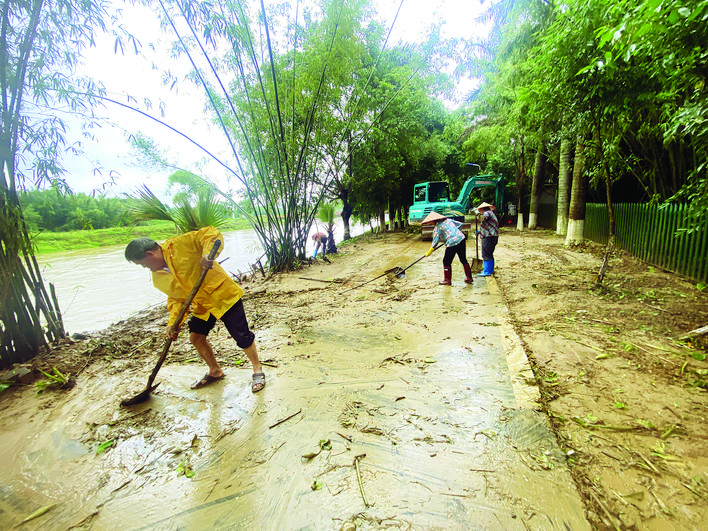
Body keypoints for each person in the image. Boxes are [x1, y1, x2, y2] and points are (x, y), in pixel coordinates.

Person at [124, 226, 266, 393]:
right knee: (196, 338)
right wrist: (173, 324)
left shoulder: (179, 245)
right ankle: (215, 371)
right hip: (202, 305)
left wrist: (207, 254)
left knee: (242, 336)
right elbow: (177, 299)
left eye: (143, 265)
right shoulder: (158, 278)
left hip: (222, 295)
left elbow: (210, 233)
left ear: (150, 255)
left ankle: (258, 370)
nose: (146, 268)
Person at [422, 211, 474, 285]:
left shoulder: (438, 227)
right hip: (461, 238)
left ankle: (447, 280)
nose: (430, 223)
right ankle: (469, 278)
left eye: (430, 222)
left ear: (434, 220)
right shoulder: (448, 220)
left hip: (452, 242)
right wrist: (456, 233)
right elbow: (460, 224)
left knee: (446, 261)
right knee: (463, 259)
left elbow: (435, 241)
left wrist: (430, 251)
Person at [476, 202, 499, 276]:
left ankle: (487, 271)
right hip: (492, 236)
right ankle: (490, 269)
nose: (480, 212)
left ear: (482, 209)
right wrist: (480, 231)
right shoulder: (491, 213)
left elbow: (482, 219)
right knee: (489, 254)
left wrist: (477, 214)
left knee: (485, 254)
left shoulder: (487, 213)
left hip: (488, 237)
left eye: (480, 210)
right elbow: (489, 225)